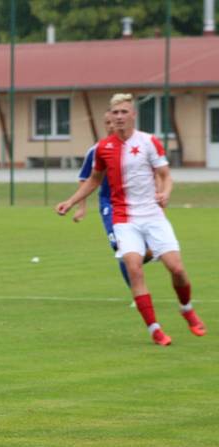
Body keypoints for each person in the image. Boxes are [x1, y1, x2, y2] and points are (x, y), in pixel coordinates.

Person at [56, 93, 206, 345]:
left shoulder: (149, 142)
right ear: (110, 118)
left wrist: (165, 193)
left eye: (124, 112)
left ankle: (187, 308)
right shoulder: (103, 148)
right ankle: (155, 329)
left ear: (133, 115)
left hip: (153, 215)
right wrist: (71, 202)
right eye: (115, 113)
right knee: (134, 268)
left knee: (177, 269)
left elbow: (165, 175)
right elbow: (94, 180)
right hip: (124, 218)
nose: (119, 117)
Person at [69, 111, 151, 289]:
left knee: (141, 251)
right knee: (121, 250)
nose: (111, 126)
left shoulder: (136, 147)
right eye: (107, 122)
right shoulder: (97, 150)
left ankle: (145, 253)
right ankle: (137, 294)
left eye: (113, 122)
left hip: (135, 204)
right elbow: (85, 179)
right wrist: (81, 207)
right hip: (110, 205)